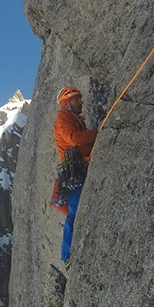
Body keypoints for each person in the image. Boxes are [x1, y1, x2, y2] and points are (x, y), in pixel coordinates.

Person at [53, 86, 97, 264]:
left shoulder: (72, 119)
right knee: (75, 211)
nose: (81, 102)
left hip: (78, 167)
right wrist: (96, 134)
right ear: (67, 102)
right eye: (77, 99)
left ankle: (68, 254)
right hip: (74, 171)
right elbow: (74, 139)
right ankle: (67, 255)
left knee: (77, 210)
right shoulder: (62, 117)